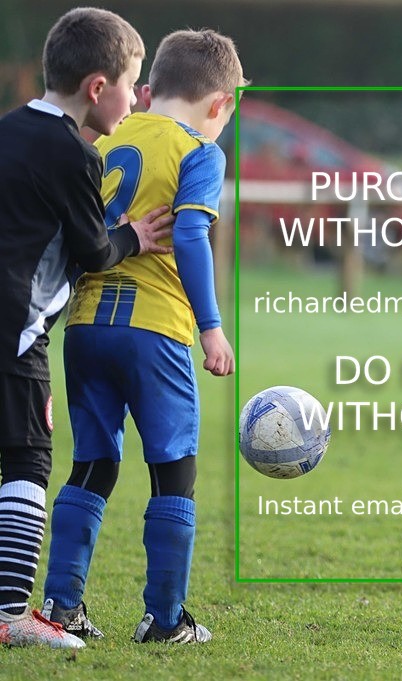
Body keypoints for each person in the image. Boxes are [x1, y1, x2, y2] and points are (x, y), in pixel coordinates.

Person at [40, 28, 244, 645]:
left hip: (86, 325)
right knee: (173, 472)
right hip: (154, 331)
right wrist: (211, 327)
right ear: (220, 106)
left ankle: (61, 606)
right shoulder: (201, 151)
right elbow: (188, 237)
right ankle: (165, 618)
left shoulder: (106, 135)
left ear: (151, 89)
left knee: (92, 465)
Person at [0, 7, 173, 649]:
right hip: (16, 332)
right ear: (98, 88)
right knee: (26, 458)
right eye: (130, 84)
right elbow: (94, 248)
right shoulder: (75, 153)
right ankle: (12, 614)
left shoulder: (9, 129)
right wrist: (134, 235)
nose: (135, 100)